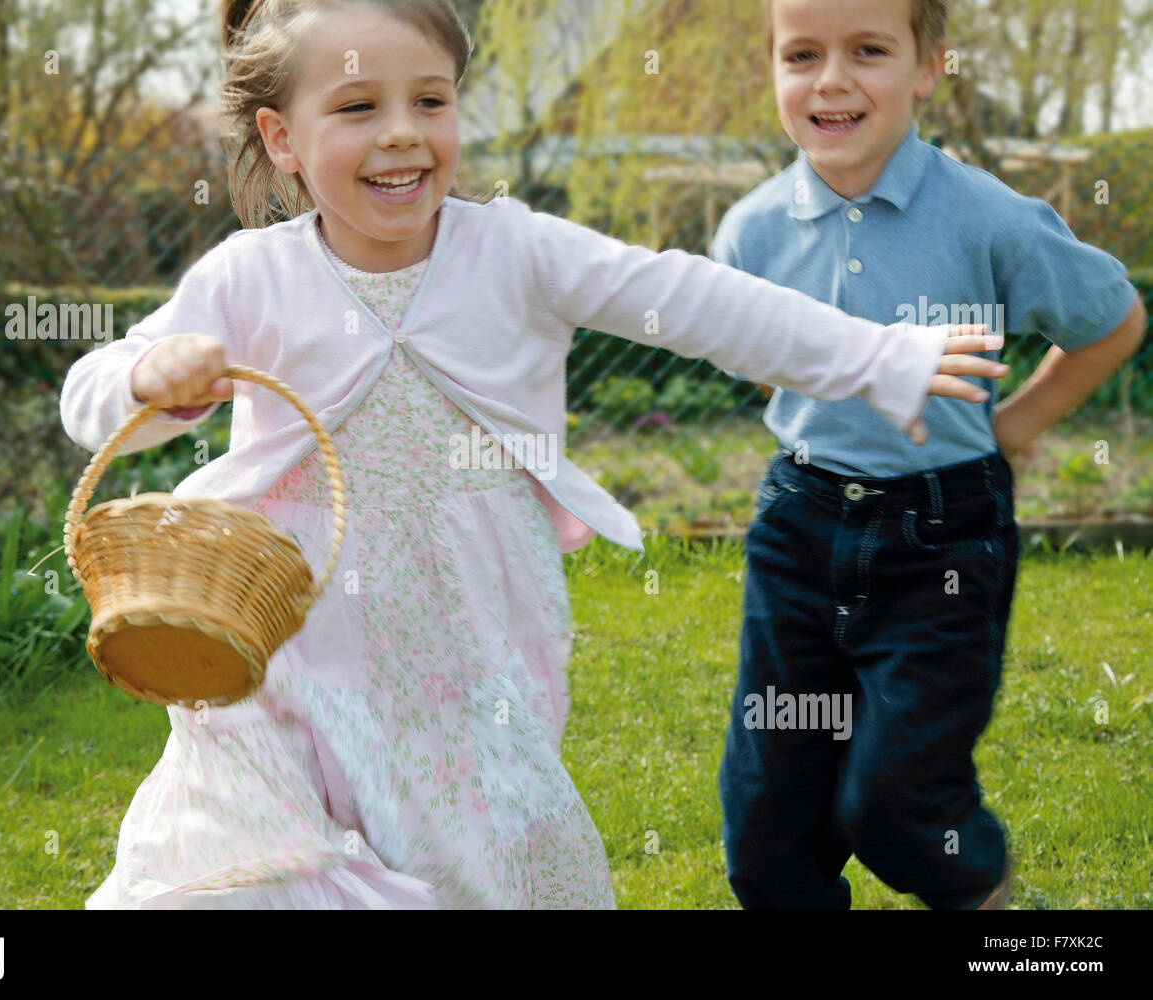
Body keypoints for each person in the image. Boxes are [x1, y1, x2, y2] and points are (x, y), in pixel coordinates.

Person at [60, 0, 1004, 909]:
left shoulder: (513, 251)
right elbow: (91, 397)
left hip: (470, 644)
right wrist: (151, 380)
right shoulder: (249, 276)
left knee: (474, 854)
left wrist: (877, 355)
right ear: (280, 139)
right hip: (294, 645)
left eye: (430, 101)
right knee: (267, 856)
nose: (402, 133)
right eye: (357, 107)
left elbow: (693, 300)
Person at [713, 0, 1146, 910]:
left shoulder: (988, 216)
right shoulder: (748, 235)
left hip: (944, 537)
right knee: (765, 835)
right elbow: (760, 362)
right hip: (800, 528)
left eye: (867, 50)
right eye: (802, 54)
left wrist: (1015, 427)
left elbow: (1112, 321)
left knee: (900, 803)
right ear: (773, 70)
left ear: (927, 67)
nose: (831, 79)